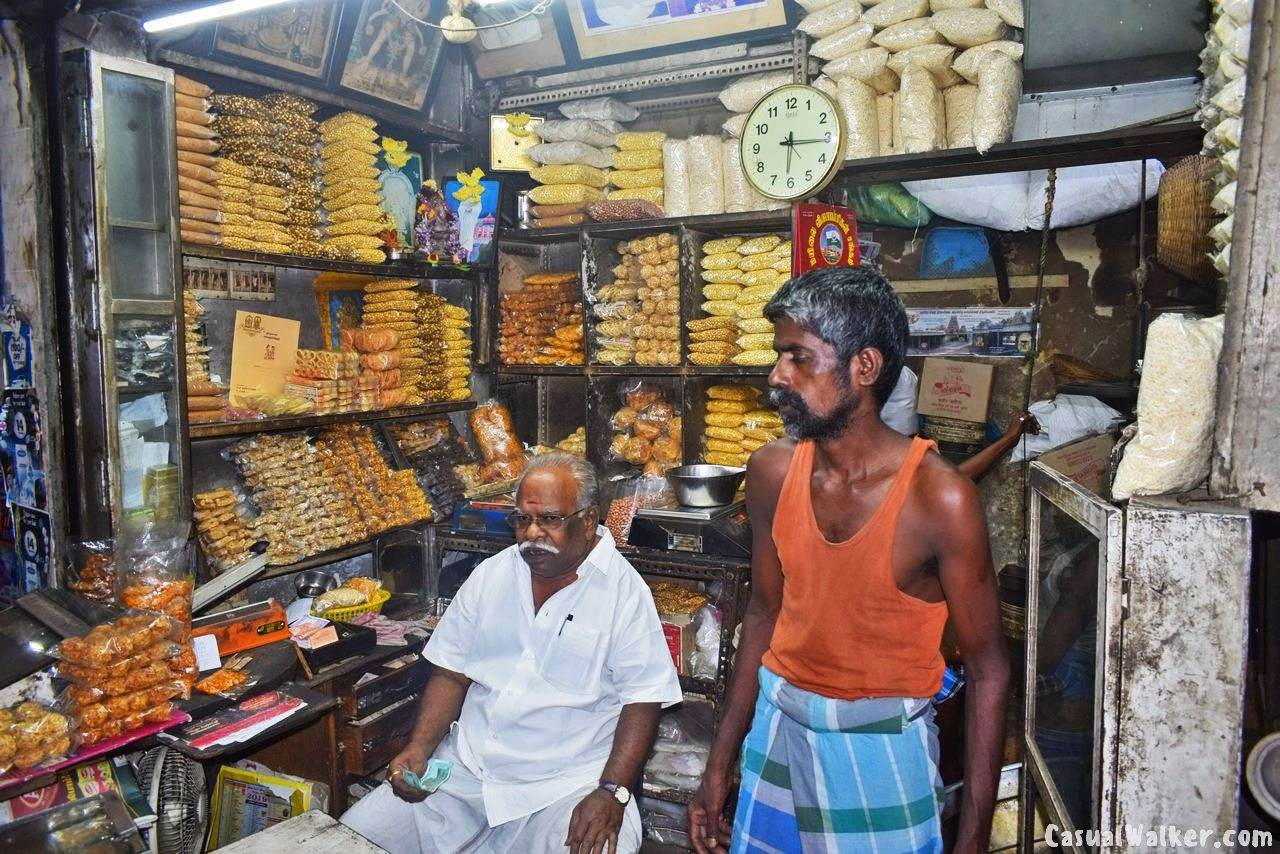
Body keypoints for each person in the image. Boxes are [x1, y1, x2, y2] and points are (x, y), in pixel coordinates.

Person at [688, 267, 1009, 854]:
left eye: (798, 358)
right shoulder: (772, 471)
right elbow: (762, 615)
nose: (776, 377)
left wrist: (973, 840)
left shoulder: (938, 498)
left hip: (881, 749)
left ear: (863, 367)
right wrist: (718, 765)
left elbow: (988, 670)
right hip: (778, 730)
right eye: (779, 356)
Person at [342, 453, 682, 854]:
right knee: (351, 835)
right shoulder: (492, 574)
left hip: (561, 788)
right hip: (465, 774)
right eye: (522, 519)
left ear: (588, 521)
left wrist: (612, 791)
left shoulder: (624, 593)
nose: (532, 533)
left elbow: (642, 700)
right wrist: (419, 748)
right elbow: (452, 672)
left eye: (550, 520)